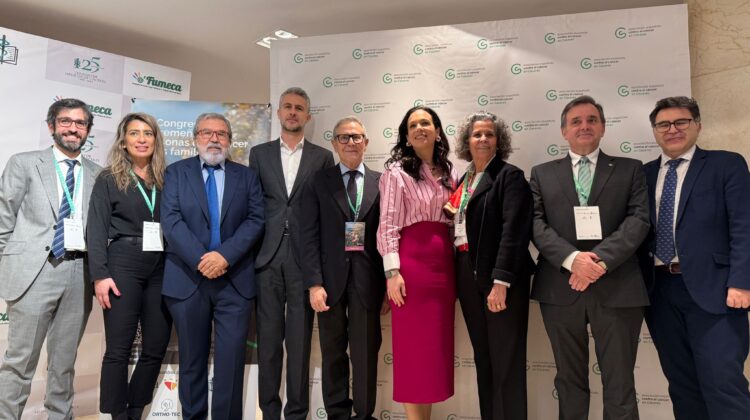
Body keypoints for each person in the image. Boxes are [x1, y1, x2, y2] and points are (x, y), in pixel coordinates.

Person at [529, 95, 649, 420]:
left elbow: (638, 220)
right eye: (576, 121)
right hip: (560, 287)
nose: (584, 126)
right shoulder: (541, 173)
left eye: (592, 120)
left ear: (603, 127)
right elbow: (535, 224)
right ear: (563, 131)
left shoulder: (630, 169)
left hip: (618, 286)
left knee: (620, 383)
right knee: (569, 381)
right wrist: (572, 260)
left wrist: (596, 262)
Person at [639, 96, 750, 419]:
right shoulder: (643, 174)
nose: (672, 129)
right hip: (659, 293)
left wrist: (742, 281)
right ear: (654, 131)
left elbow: (744, 225)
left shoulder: (726, 164)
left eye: (681, 122)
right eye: (663, 124)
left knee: (723, 384)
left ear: (697, 125)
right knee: (682, 385)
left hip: (716, 291)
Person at [0, 98, 102, 419]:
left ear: (87, 130)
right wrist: (10, 265)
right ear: (51, 127)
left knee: (64, 362)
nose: (73, 128)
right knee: (19, 362)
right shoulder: (24, 163)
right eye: (65, 121)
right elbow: (3, 219)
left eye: (80, 123)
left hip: (79, 272)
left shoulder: (99, 174)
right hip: (34, 272)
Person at [161, 113, 264, 419]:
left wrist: (224, 257)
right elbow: (171, 220)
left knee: (231, 362)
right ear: (196, 138)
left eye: (221, 133)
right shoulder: (176, 173)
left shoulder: (246, 176)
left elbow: (256, 220)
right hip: (188, 280)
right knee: (191, 359)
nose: (214, 139)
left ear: (230, 140)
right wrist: (201, 260)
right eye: (207, 133)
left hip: (234, 280)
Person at [249, 87, 335, 420]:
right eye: (287, 106)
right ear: (279, 113)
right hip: (267, 256)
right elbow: (253, 205)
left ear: (308, 116)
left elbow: (325, 212)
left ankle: (296, 414)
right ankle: (269, 412)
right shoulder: (259, 154)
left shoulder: (322, 157)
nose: (293, 112)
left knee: (299, 344)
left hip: (304, 258)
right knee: (269, 342)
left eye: (299, 108)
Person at [299, 116, 388, 420]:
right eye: (344, 137)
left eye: (356, 137)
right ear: (334, 143)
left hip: (368, 282)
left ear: (366, 142)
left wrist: (387, 284)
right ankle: (337, 414)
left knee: (365, 354)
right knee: (333, 353)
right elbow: (307, 236)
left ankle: (364, 415)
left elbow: (387, 236)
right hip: (328, 283)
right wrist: (314, 284)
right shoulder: (318, 181)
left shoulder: (383, 182)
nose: (351, 142)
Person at [87, 113, 172, 420]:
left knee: (156, 346)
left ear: (155, 140)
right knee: (118, 349)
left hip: (162, 265)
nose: (141, 139)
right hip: (123, 262)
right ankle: (117, 413)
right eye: (134, 133)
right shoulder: (109, 178)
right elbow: (96, 229)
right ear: (123, 141)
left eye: (148, 133)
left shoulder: (167, 179)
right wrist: (100, 275)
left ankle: (135, 409)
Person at [452, 111, 533, 420]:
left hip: (500, 277)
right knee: (484, 357)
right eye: (477, 134)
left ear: (499, 141)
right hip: (467, 270)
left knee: (506, 361)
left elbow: (515, 231)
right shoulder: (465, 180)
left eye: (489, 134)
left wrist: (501, 281)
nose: (483, 139)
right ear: (467, 141)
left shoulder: (509, 176)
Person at [377, 105, 457, 420]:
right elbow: (388, 225)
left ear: (437, 132)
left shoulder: (449, 173)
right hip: (411, 268)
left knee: (433, 353)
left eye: (426, 122)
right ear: (407, 137)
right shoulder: (396, 173)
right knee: (413, 351)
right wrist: (392, 273)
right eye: (413, 125)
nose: (420, 128)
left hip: (443, 268)